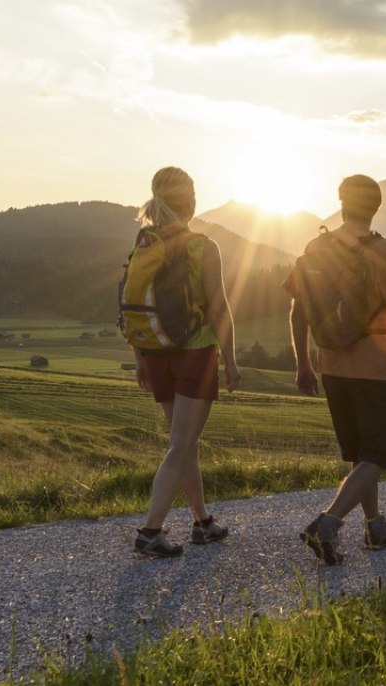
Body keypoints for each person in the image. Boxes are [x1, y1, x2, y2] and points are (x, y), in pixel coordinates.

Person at [286, 174, 386, 565]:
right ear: (376, 207)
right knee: (376, 455)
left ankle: (375, 526)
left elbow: (299, 311)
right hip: (374, 368)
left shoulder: (316, 247)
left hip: (331, 367)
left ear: (341, 204)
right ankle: (326, 523)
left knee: (360, 454)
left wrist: (302, 365)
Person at [124, 167, 241, 557]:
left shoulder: (144, 245)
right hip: (195, 353)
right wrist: (232, 361)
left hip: (155, 353)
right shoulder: (202, 246)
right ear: (190, 202)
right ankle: (150, 530)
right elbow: (220, 307)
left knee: (185, 444)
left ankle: (203, 522)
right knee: (180, 445)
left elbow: (137, 304)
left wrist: (140, 358)